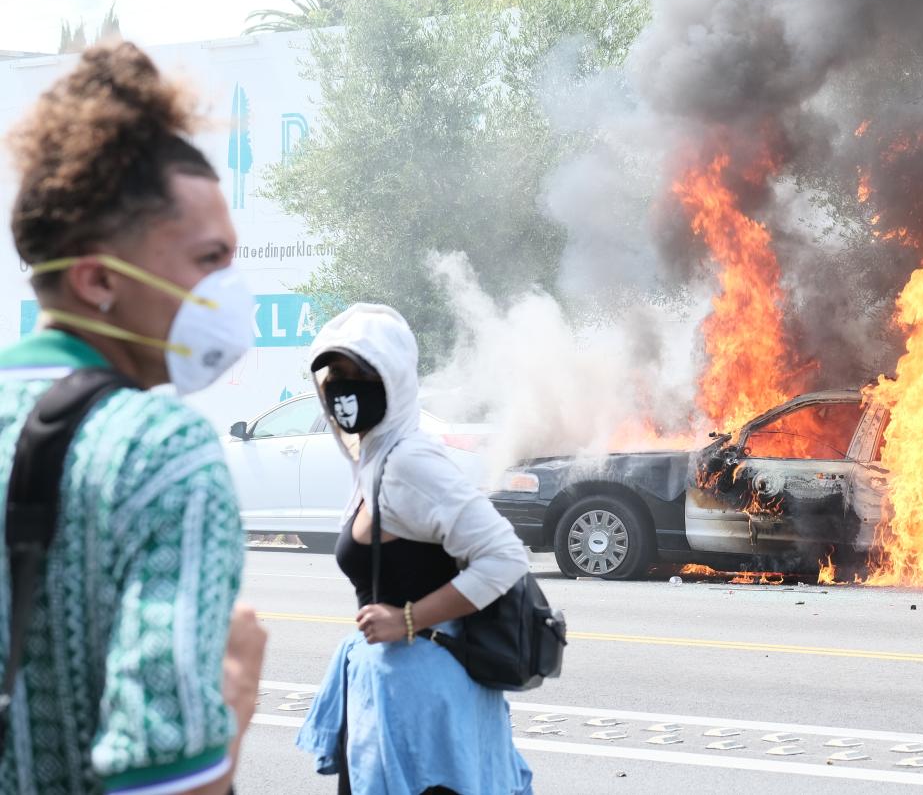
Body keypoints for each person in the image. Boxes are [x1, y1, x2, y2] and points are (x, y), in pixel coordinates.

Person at [0, 43, 267, 793]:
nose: (229, 290)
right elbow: (168, 778)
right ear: (99, 281)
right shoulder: (161, 451)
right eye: (208, 259)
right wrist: (235, 697)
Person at [294, 304, 532, 795]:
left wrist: (407, 619)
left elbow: (504, 558)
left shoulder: (409, 462)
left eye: (360, 373)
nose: (343, 387)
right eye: (334, 374)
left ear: (394, 378)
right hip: (393, 695)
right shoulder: (374, 459)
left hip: (429, 705)